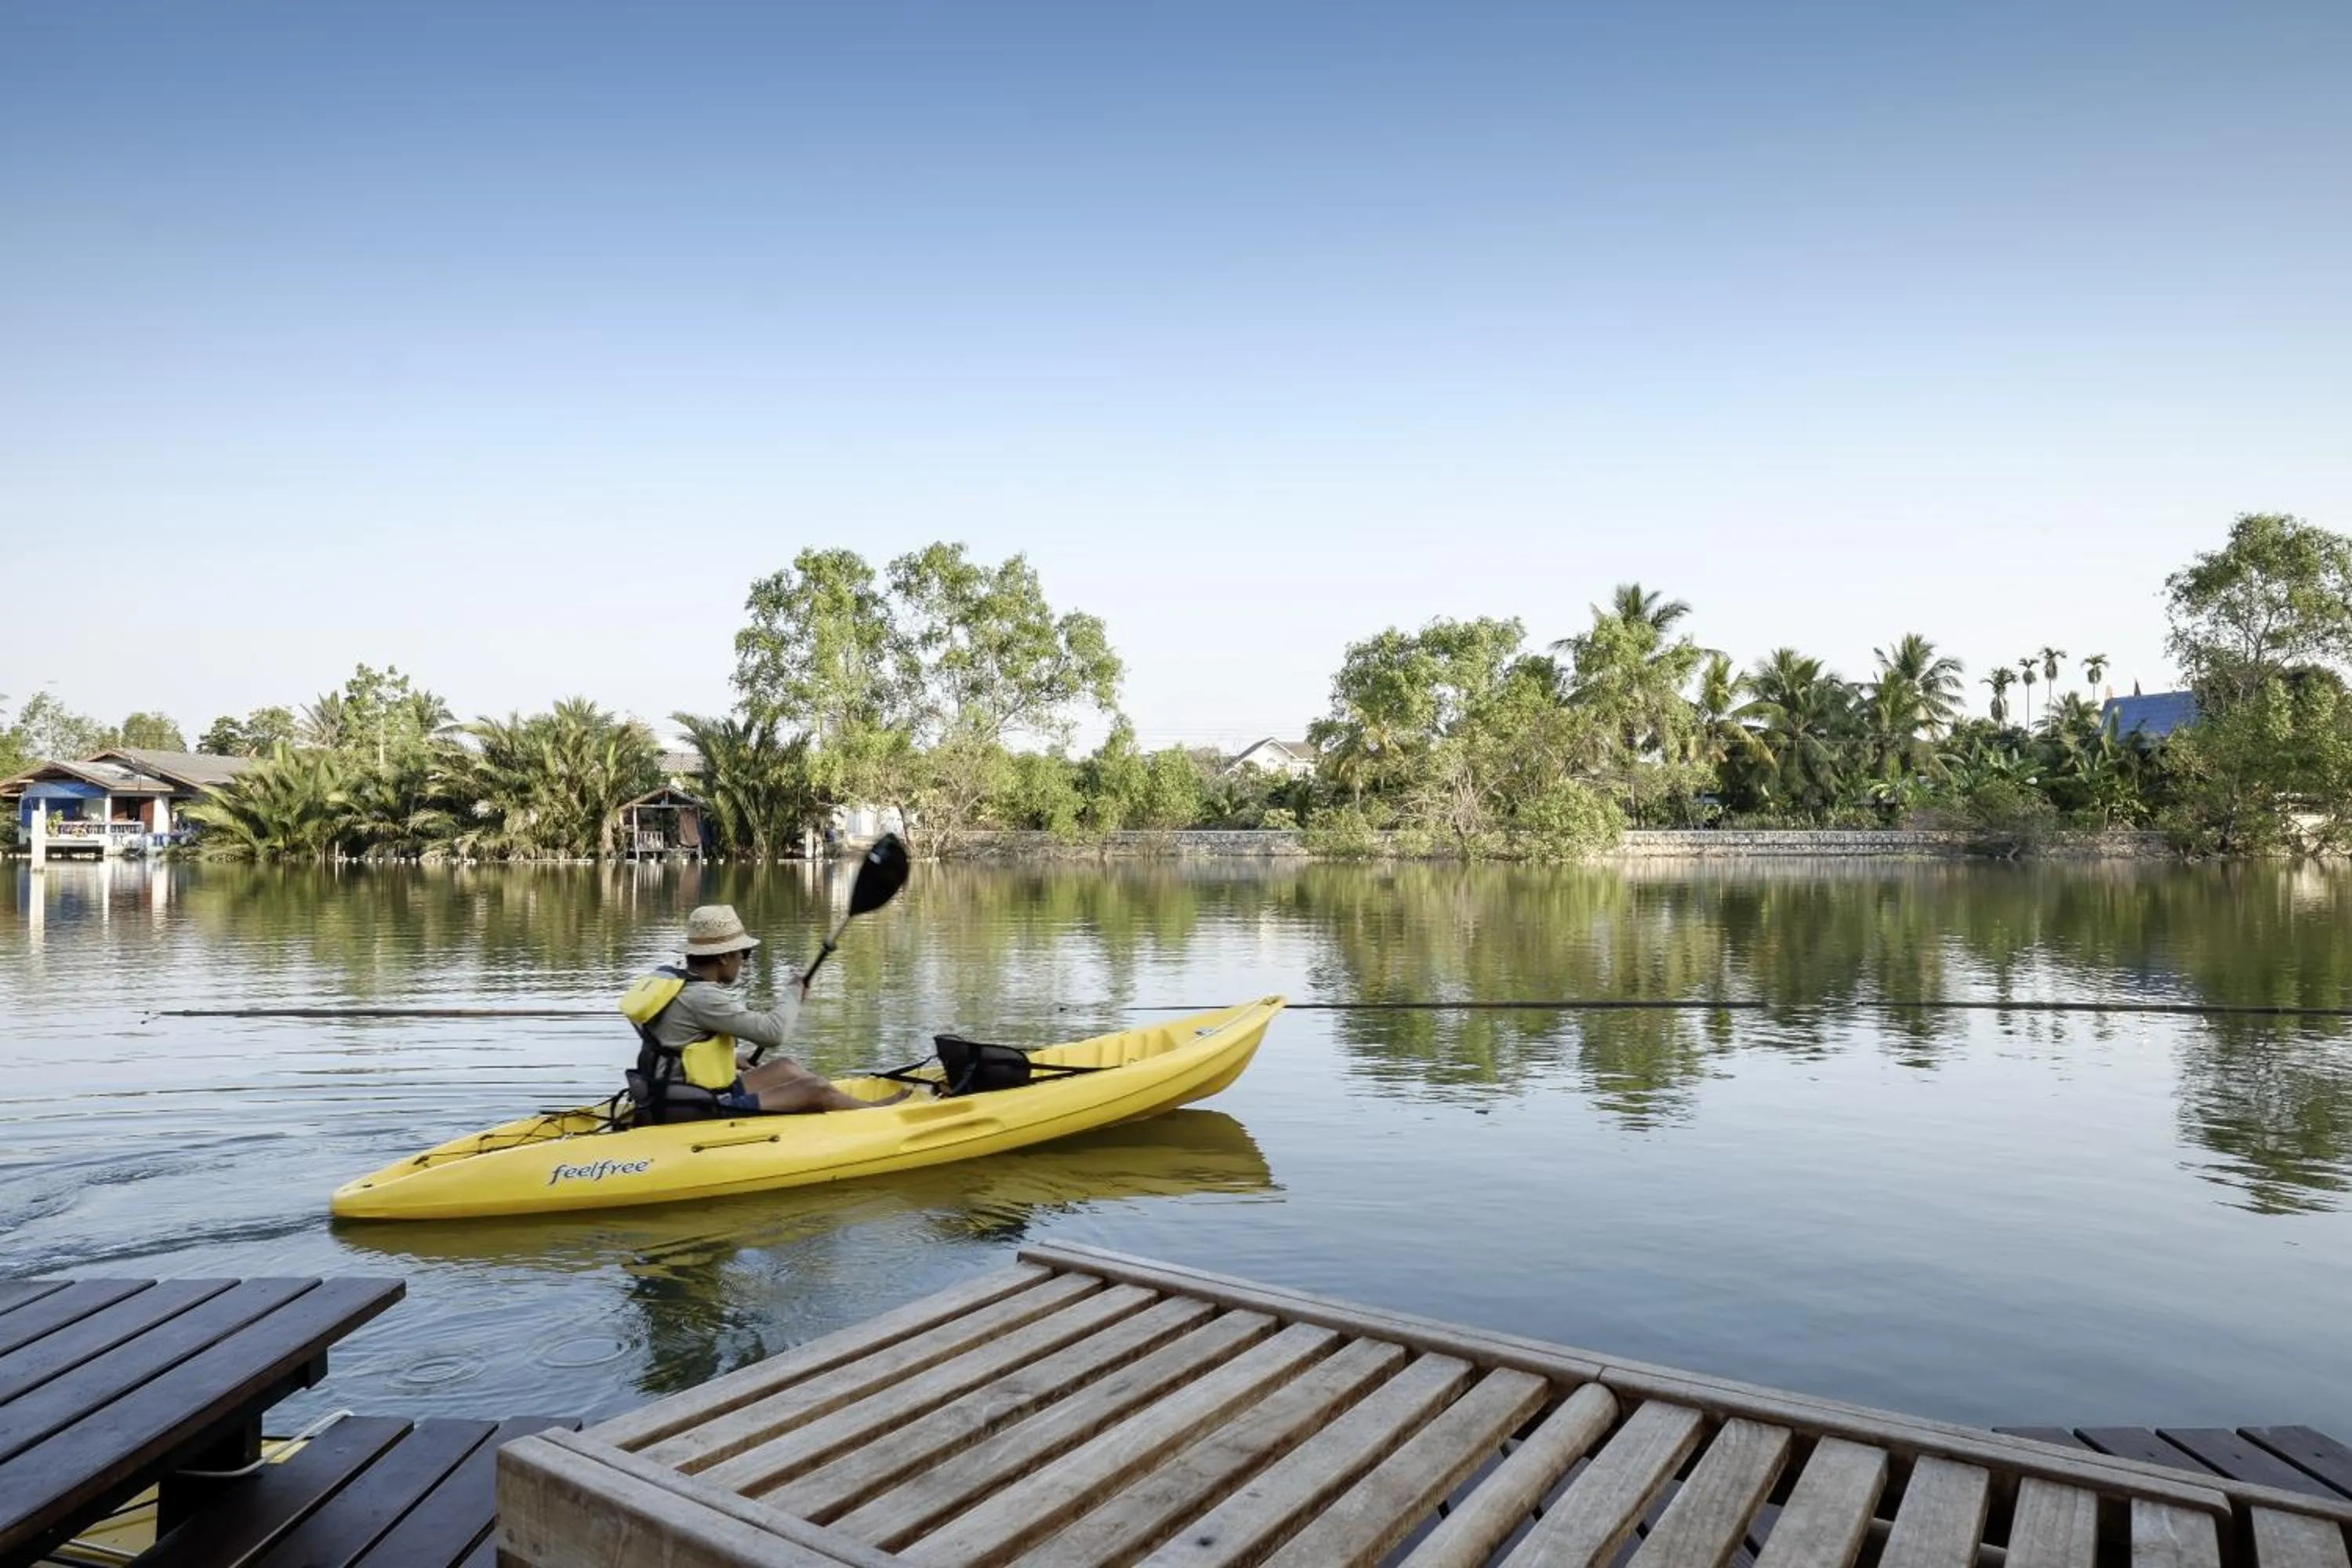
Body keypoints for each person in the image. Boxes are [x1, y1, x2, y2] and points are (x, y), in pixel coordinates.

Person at [620, 904, 908, 1119]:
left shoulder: (672, 982)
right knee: (815, 1088)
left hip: (677, 1091)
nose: (743, 962)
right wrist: (794, 993)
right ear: (723, 956)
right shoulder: (703, 997)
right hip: (695, 1106)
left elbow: (672, 1043)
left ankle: (839, 1105)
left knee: (786, 1067)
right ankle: (875, 1116)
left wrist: (728, 1058)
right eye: (743, 954)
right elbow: (773, 1032)